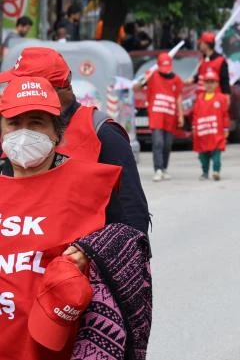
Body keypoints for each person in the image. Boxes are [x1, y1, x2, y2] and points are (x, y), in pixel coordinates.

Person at [0, 76, 130, 359]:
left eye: (36, 122)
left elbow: (130, 247)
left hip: (58, 346)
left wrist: (93, 252)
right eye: (14, 123)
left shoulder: (92, 186)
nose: (23, 133)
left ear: (57, 133)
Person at [0, 47, 150, 234]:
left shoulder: (101, 133)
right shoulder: (11, 135)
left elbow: (132, 212)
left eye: (19, 85)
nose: (11, 92)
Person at [135, 53, 184, 182]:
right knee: (158, 142)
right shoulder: (152, 76)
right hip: (156, 114)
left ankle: (164, 168)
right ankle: (157, 169)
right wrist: (144, 78)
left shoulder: (177, 80)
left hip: (170, 115)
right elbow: (136, 88)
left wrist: (181, 115)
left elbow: (178, 97)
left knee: (167, 144)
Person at [192, 68, 230, 181]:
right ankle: (204, 171)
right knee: (203, 155)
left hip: (216, 132)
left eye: (212, 82)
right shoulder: (199, 98)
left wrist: (226, 128)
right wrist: (194, 127)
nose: (209, 85)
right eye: (207, 82)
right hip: (203, 132)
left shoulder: (221, 98)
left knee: (216, 154)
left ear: (217, 83)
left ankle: (216, 171)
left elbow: (225, 115)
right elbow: (195, 114)